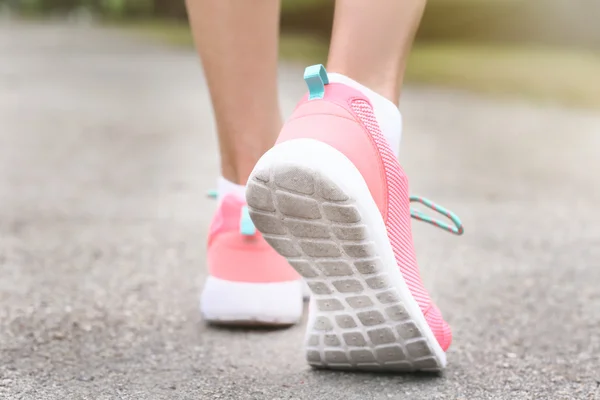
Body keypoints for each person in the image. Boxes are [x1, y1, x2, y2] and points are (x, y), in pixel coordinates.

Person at [186, 0, 463, 372]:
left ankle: (243, 212)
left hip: (236, 237)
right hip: (351, 134)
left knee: (247, 181)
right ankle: (355, 113)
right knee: (356, 95)